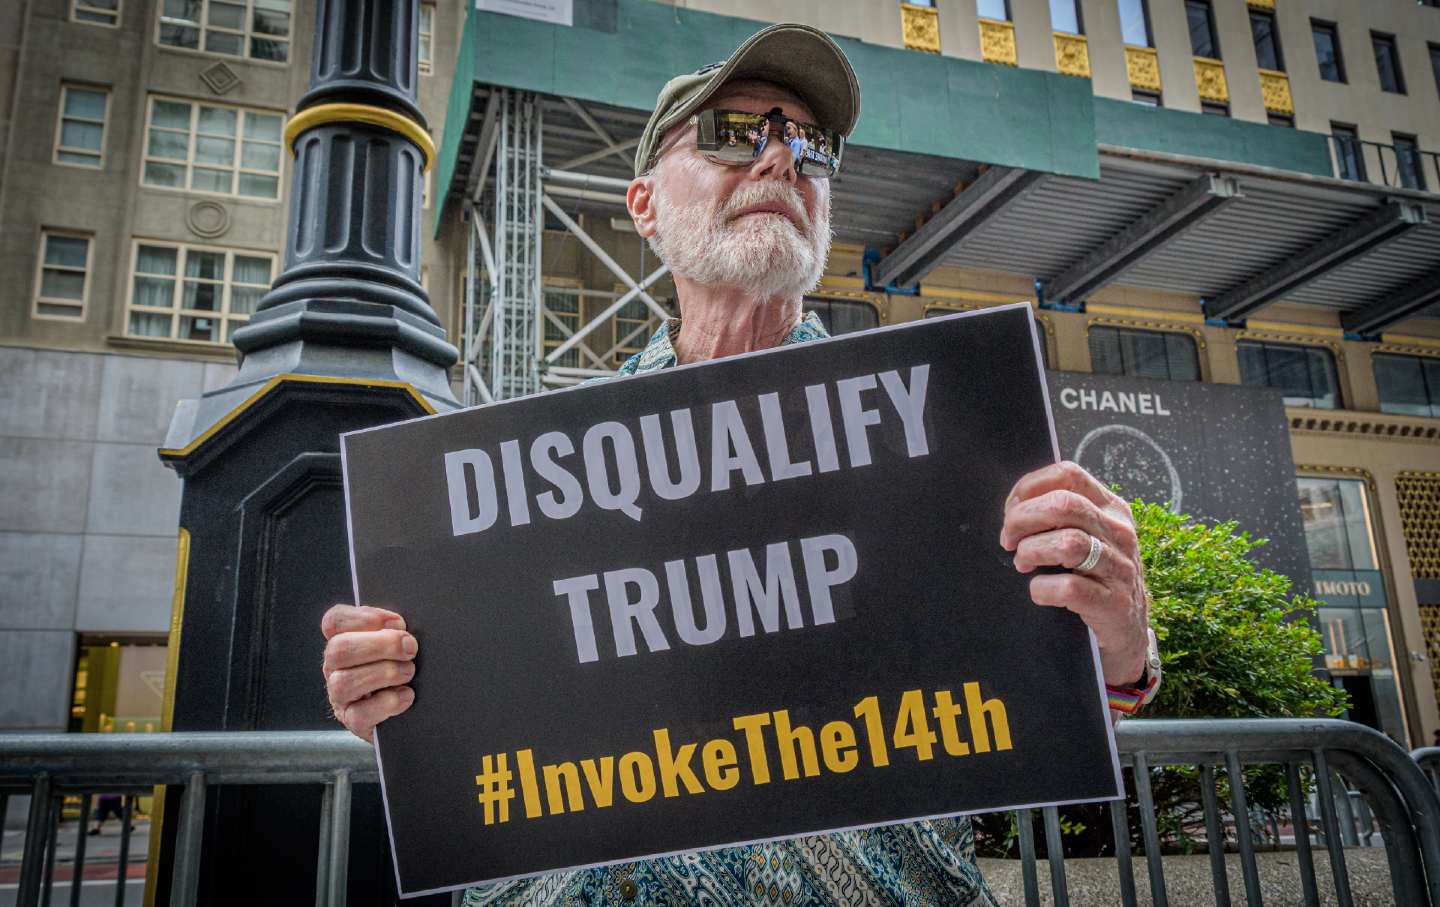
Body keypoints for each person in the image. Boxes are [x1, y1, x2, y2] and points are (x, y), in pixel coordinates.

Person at [322, 22, 1160, 906]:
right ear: (644, 206)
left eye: (809, 144)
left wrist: (1120, 640)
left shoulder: (950, 442)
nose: (780, 162)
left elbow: (1052, 700)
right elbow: (479, 753)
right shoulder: (516, 490)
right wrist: (397, 706)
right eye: (731, 134)